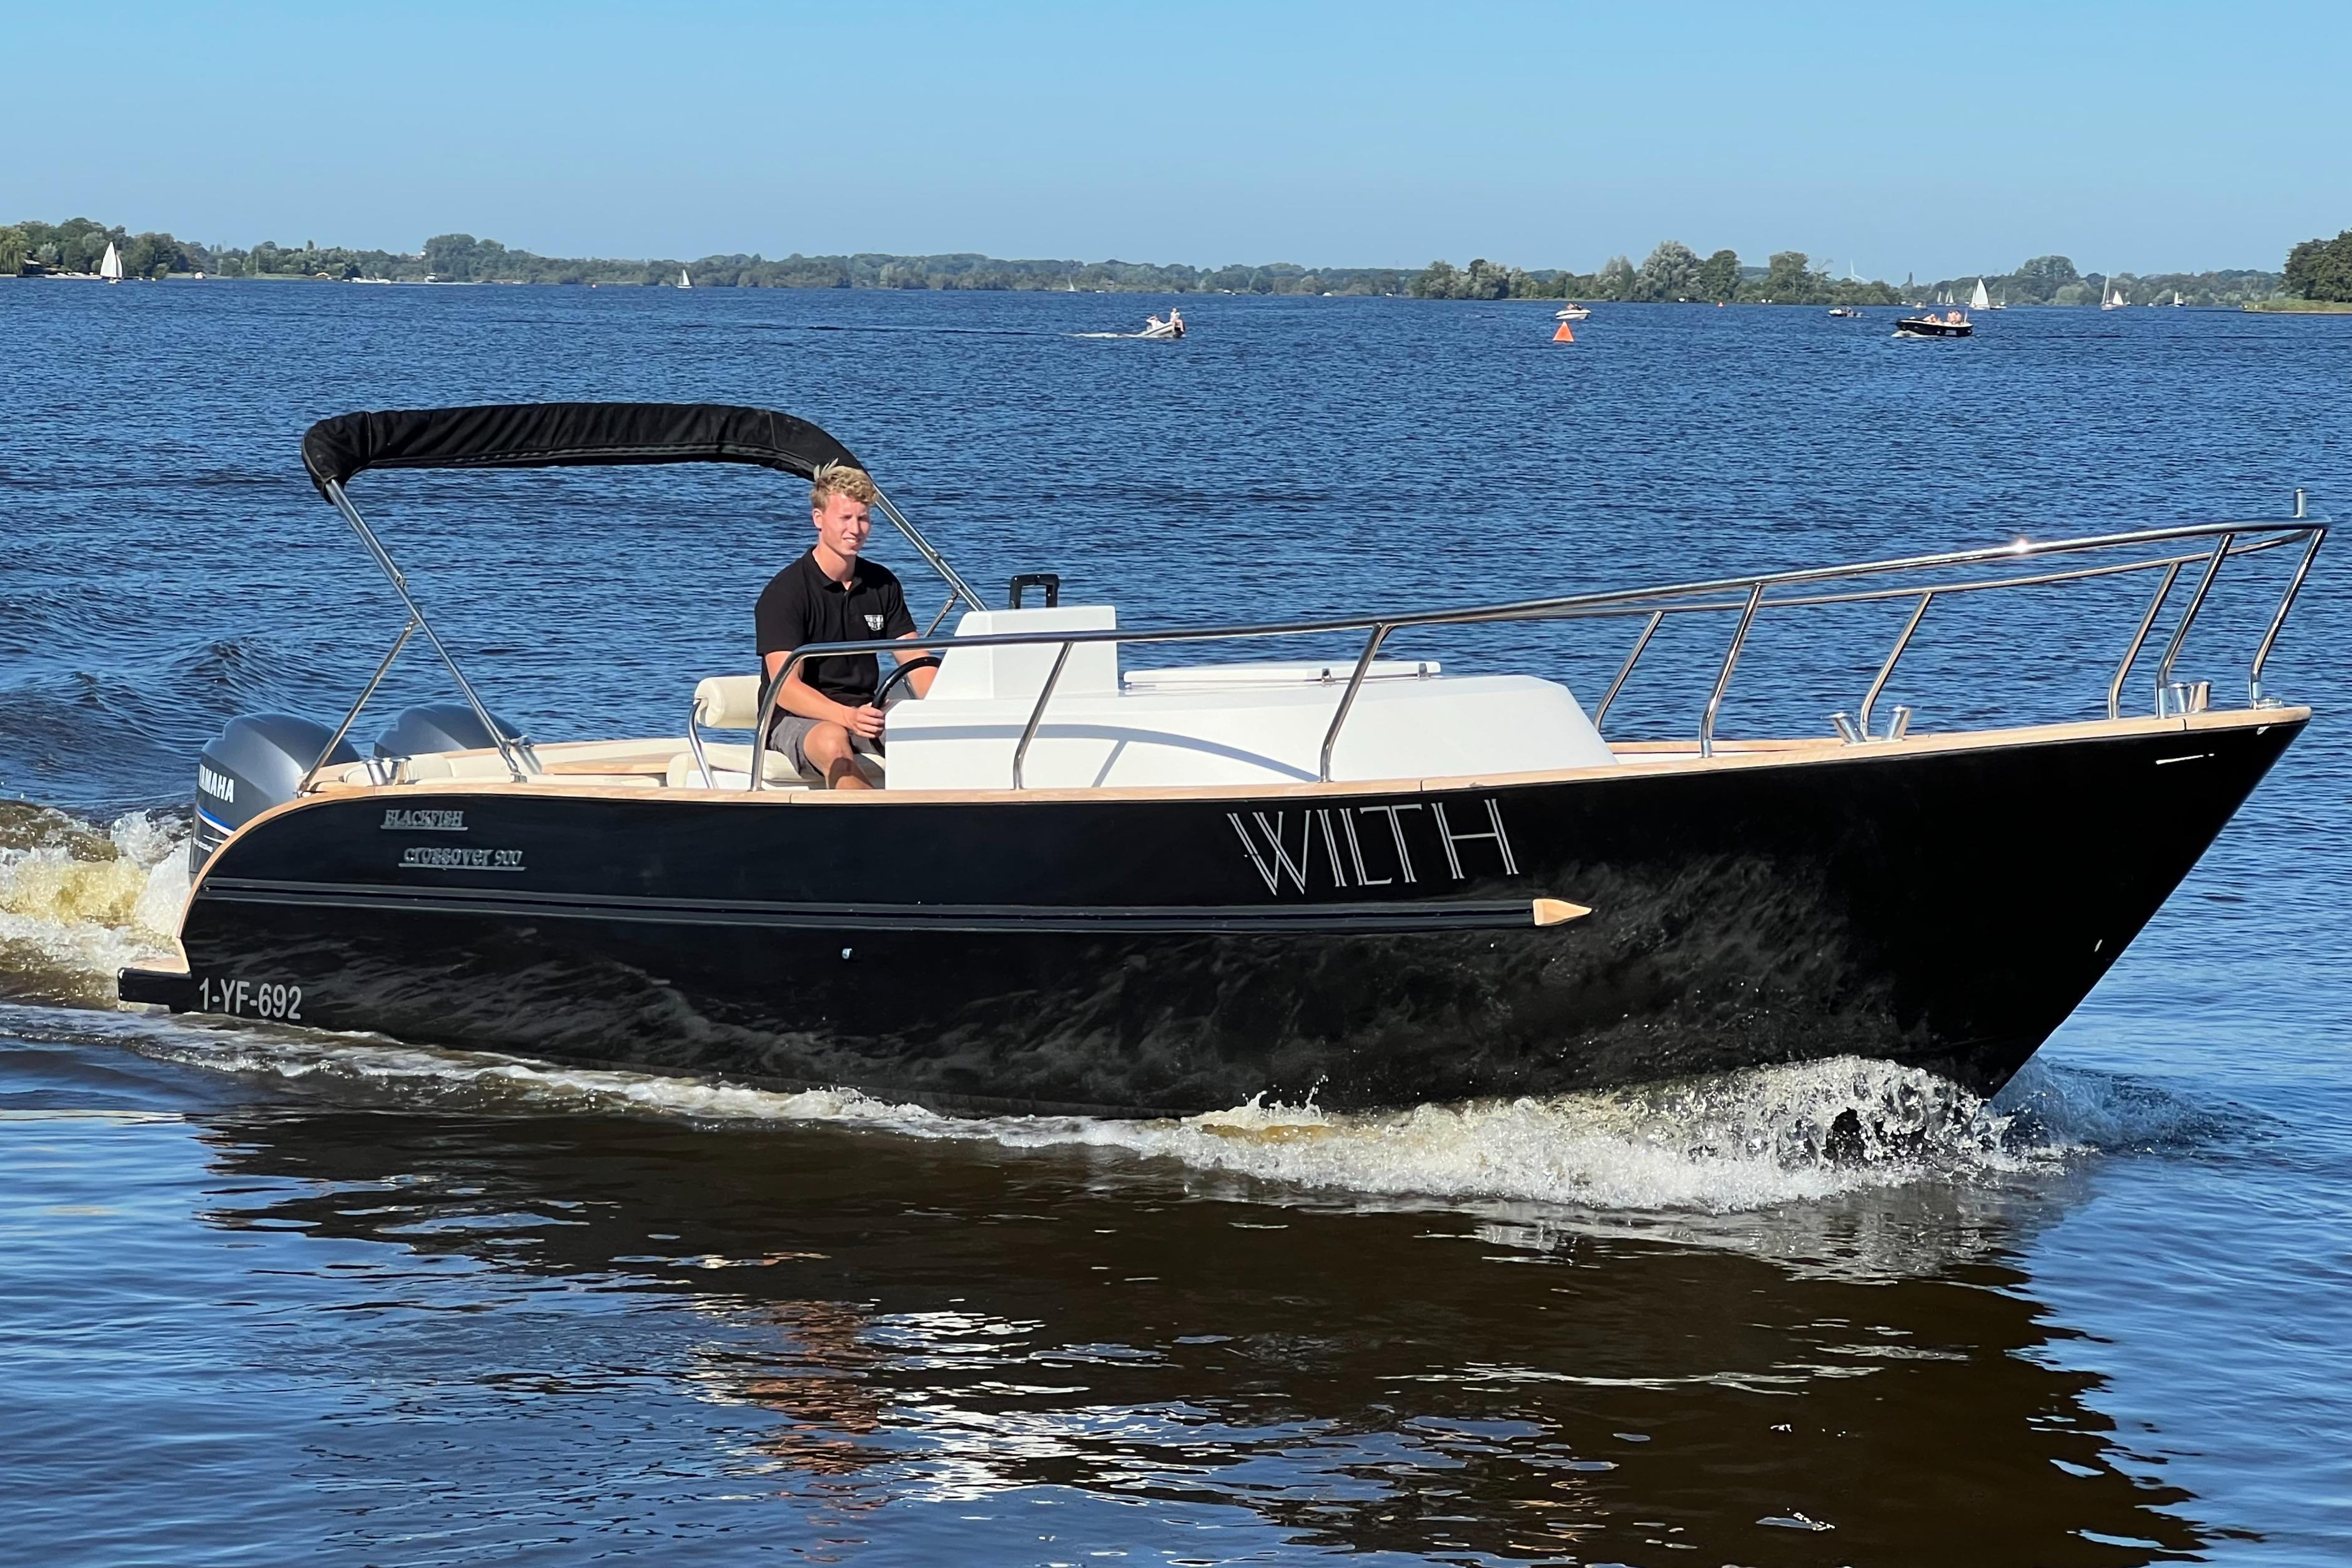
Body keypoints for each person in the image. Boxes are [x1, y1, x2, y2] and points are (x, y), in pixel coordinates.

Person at [754, 463, 934, 789]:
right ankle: (878, 826)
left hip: (865, 711)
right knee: (832, 739)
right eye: (845, 518)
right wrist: (846, 716)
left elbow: (916, 662)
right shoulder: (785, 593)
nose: (856, 529)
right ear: (818, 519)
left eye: (863, 518)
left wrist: (953, 708)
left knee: (933, 729)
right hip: (795, 719)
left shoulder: (882, 583)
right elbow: (785, 688)